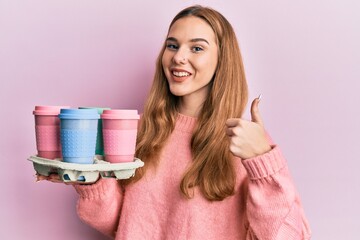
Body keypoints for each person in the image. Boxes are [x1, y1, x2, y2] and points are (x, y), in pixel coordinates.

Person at [70, 5, 311, 240]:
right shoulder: (139, 130)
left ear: (222, 60)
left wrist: (262, 161)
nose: (179, 57)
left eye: (196, 48)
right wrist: (91, 179)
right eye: (172, 46)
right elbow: (120, 224)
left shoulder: (245, 142)